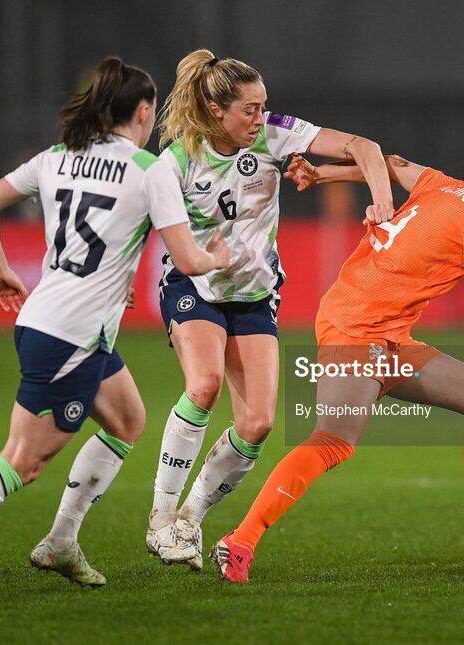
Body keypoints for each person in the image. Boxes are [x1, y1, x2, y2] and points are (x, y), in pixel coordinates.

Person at [0, 56, 230, 597]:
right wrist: (217, 255)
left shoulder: (57, 157)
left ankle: (61, 542)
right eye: (152, 110)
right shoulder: (149, 168)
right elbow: (185, 258)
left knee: (128, 420)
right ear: (142, 109)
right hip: (74, 338)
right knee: (22, 461)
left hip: (53, 319)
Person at [208, 134, 464, 583]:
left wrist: (324, 172)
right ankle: (240, 541)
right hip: (358, 326)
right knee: (333, 441)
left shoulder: (445, 185)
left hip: (384, 332)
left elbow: (390, 164)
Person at [145, 49, 395, 570]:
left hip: (254, 296)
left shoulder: (273, 136)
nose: (261, 119)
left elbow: (364, 148)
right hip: (195, 287)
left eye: (264, 107)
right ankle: (160, 521)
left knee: (257, 423)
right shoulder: (176, 161)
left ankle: (189, 519)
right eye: (250, 110)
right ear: (216, 110)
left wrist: (381, 203)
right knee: (204, 385)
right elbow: (140, 226)